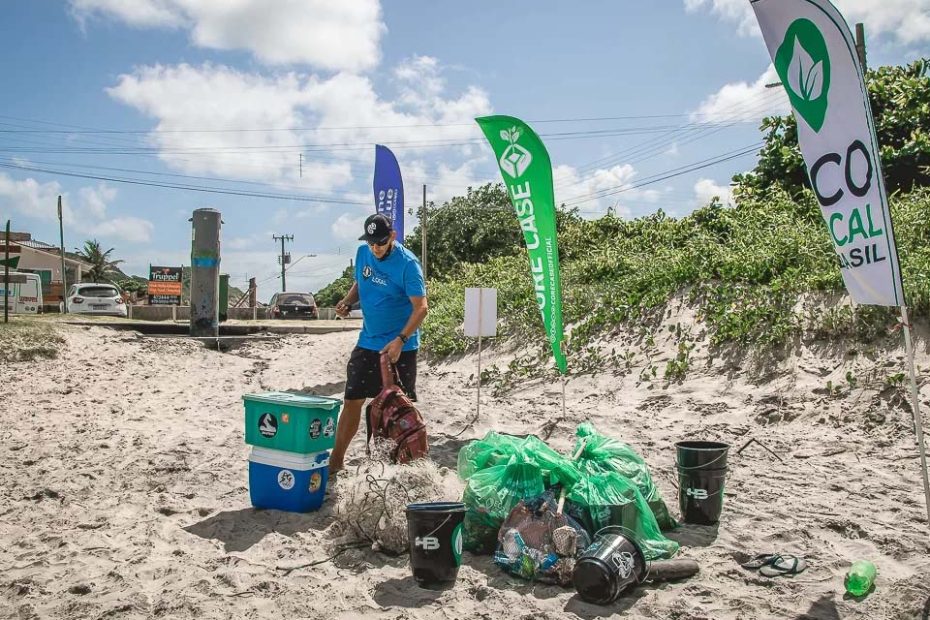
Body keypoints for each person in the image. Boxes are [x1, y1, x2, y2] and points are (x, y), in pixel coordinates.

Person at [330, 213, 428, 473]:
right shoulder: (363, 253)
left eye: (381, 242)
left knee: (395, 409)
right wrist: (348, 302)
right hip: (368, 342)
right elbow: (360, 284)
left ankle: (397, 467)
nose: (376, 247)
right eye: (372, 242)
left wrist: (400, 339)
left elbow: (421, 308)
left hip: (400, 349)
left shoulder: (408, 265)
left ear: (392, 237)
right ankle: (336, 460)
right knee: (352, 400)